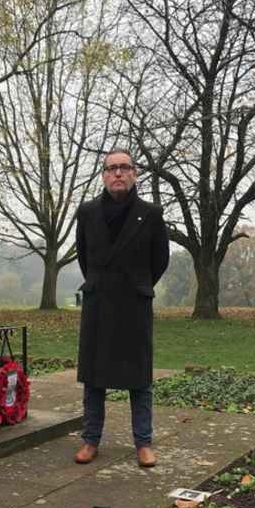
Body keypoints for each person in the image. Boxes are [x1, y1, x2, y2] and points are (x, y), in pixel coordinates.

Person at [74, 148, 169, 467]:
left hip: (134, 305)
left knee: (139, 378)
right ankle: (90, 440)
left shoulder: (152, 214)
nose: (118, 173)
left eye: (124, 167)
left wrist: (139, 284)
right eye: (111, 168)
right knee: (94, 377)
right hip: (99, 303)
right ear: (103, 175)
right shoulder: (87, 212)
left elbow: (160, 260)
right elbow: (84, 257)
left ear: (134, 173)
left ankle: (143, 442)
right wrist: (102, 283)